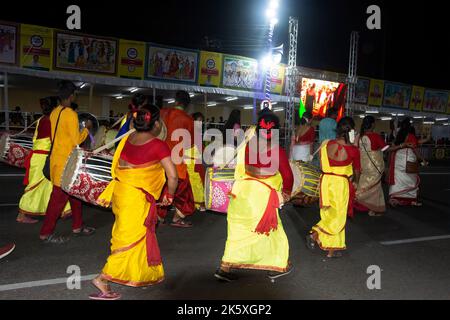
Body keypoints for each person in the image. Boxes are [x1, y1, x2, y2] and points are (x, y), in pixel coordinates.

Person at [91, 104, 177, 300]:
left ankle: (141, 273)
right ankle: (103, 278)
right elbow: (172, 177)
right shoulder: (158, 145)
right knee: (130, 238)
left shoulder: (127, 138)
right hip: (136, 198)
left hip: (121, 193)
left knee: (128, 235)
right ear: (155, 123)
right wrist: (169, 196)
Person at [215, 108, 294, 282]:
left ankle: (224, 267)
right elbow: (288, 175)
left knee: (237, 232)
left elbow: (248, 168)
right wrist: (286, 192)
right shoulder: (277, 151)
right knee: (274, 232)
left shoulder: (248, 146)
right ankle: (279, 265)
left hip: (242, 193)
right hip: (262, 197)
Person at [39, 81, 95, 244]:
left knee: (75, 194)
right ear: (72, 96)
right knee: (57, 200)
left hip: (57, 160)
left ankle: (77, 226)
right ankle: (45, 233)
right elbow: (76, 140)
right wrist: (86, 128)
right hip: (66, 164)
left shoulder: (55, 112)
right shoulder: (70, 114)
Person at [306, 117, 361, 258]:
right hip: (339, 185)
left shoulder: (325, 144)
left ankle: (332, 248)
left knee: (329, 214)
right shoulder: (353, 150)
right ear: (351, 131)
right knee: (338, 216)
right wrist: (356, 182)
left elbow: (322, 161)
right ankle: (315, 234)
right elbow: (357, 171)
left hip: (325, 181)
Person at [17, 97, 71, 223]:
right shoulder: (50, 121)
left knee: (51, 185)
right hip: (43, 158)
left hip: (39, 157)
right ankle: (21, 215)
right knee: (36, 186)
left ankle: (61, 210)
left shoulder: (42, 119)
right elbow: (56, 140)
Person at [158, 90, 196, 227]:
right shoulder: (188, 120)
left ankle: (158, 217)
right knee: (185, 196)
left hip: (158, 160)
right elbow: (190, 143)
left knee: (162, 189)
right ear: (187, 104)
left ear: (175, 101)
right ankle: (177, 218)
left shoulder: (162, 113)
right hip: (176, 162)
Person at [354, 116, 403, 217]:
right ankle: (374, 208)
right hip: (374, 166)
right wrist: (402, 146)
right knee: (375, 187)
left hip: (363, 165)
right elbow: (387, 149)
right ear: (372, 124)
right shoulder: (375, 136)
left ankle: (360, 202)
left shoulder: (359, 136)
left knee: (363, 184)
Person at [387, 118, 429, 207]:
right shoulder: (410, 136)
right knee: (410, 179)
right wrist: (422, 159)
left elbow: (394, 145)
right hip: (407, 158)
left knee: (398, 179)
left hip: (398, 158)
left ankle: (394, 198)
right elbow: (416, 150)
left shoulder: (399, 135)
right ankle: (411, 200)